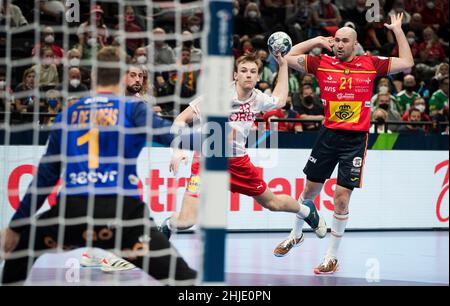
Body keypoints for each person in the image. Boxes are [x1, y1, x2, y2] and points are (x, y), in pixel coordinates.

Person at [0, 46, 197, 285]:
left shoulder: (69, 113)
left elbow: (45, 178)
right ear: (124, 77)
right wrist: (217, 137)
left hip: (71, 215)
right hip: (123, 217)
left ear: (93, 76)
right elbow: (175, 136)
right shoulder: (133, 108)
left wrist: (16, 227)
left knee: (20, 252)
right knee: (184, 280)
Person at [280, 13, 414, 274]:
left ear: (355, 45)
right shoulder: (321, 63)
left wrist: (397, 30)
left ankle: (331, 256)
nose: (339, 45)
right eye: (336, 40)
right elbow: (286, 57)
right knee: (309, 192)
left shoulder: (371, 64)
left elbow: (408, 61)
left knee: (341, 200)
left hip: (355, 140)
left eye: (344, 41)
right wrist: (317, 39)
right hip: (328, 135)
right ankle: (295, 234)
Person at [159, 53, 327, 243]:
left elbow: (279, 100)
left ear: (258, 77)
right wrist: (178, 150)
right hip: (207, 162)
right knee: (186, 220)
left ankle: (306, 210)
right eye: (244, 71)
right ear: (235, 75)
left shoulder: (258, 98)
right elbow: (181, 119)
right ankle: (167, 226)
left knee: (272, 203)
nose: (248, 75)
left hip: (238, 163)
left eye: (253, 72)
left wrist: (283, 66)